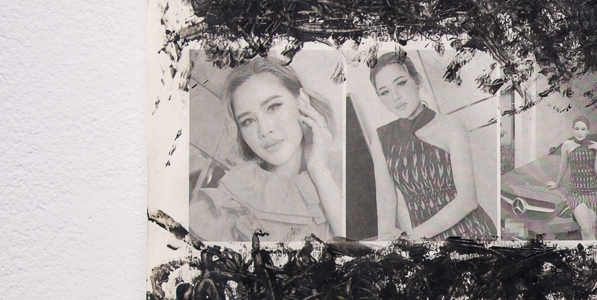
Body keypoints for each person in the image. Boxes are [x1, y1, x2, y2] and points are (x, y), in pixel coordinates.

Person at [190, 57, 341, 242]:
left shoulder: (344, 171)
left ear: (301, 101)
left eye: (273, 107)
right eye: (248, 121)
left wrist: (319, 170)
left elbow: (361, 255)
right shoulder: (232, 199)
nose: (264, 130)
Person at [368, 50, 498, 241]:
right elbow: (385, 211)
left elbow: (467, 200)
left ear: (416, 81)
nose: (395, 97)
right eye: (385, 92)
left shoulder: (452, 126)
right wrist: (389, 239)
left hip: (469, 234)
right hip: (423, 241)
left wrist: (412, 237)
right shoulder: (382, 138)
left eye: (401, 83)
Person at [549, 116, 597, 240]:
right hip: (576, 192)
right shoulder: (567, 145)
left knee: (590, 230)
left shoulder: (595, 146)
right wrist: (557, 183)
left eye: (583, 129)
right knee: (586, 228)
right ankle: (596, 250)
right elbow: (563, 166)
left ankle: (588, 251)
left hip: (593, 192)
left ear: (588, 130)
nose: (579, 132)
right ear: (572, 130)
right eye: (577, 129)